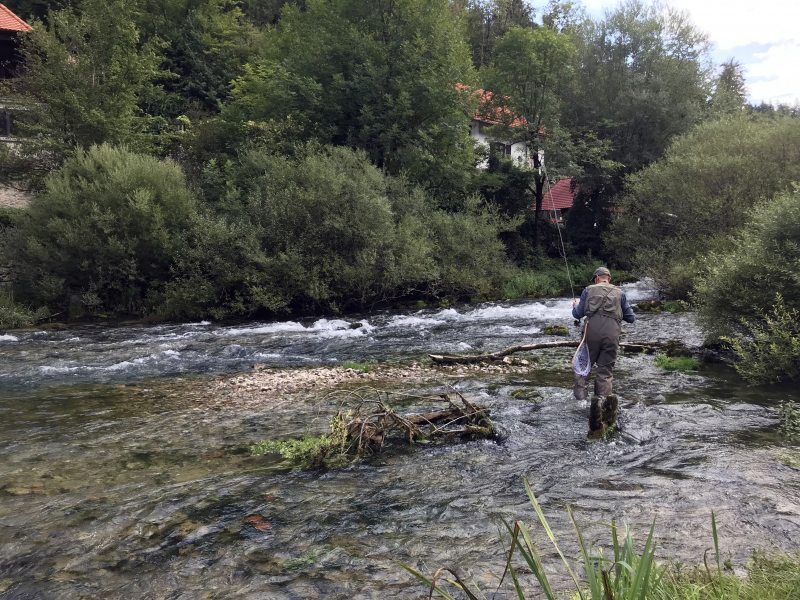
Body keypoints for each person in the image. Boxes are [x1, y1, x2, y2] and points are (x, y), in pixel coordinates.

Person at [571, 266, 635, 432]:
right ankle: (603, 406)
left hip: (590, 334)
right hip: (612, 336)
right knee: (605, 372)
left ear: (596, 278)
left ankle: (580, 404)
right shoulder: (620, 293)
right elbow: (631, 318)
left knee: (583, 369)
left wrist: (575, 306)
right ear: (609, 279)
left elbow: (577, 314)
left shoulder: (587, 290)